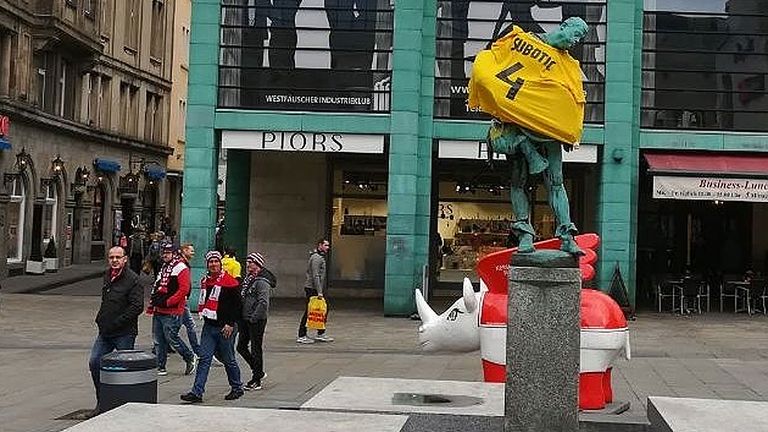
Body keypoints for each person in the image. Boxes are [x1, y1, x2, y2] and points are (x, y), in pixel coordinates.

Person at [181, 251, 244, 403]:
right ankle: (197, 392)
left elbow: (237, 305)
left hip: (225, 327)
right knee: (204, 359)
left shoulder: (230, 282)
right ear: (207, 265)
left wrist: (230, 323)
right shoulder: (205, 281)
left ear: (220, 264)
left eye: (216, 261)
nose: (213, 264)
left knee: (228, 359)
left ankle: (237, 387)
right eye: (211, 262)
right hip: (209, 326)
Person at [88, 246, 143, 413]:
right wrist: (101, 319)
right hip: (106, 331)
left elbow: (137, 306)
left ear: (125, 259)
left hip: (124, 332)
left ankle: (125, 405)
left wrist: (118, 322)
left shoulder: (133, 279)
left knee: (124, 369)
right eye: (112, 257)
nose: (114, 260)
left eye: (118, 257)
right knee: (95, 362)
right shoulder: (108, 275)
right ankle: (102, 401)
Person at [148, 243, 197, 376]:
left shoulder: (181, 268)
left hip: (172, 310)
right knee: (158, 340)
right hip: (159, 309)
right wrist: (155, 300)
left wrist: (168, 302)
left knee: (172, 338)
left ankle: (189, 357)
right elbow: (157, 284)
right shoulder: (165, 267)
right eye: (163, 252)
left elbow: (184, 289)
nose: (165, 255)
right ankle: (160, 366)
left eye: (168, 252)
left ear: (174, 253)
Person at [237, 252, 274, 390]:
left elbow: (263, 302)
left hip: (256, 320)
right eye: (247, 262)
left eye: (250, 262)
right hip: (245, 318)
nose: (247, 265)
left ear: (257, 264)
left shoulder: (262, 281)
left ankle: (256, 379)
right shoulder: (248, 278)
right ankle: (258, 371)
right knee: (241, 347)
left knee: (255, 348)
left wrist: (254, 317)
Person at [297, 238, 334, 344]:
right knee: (309, 311)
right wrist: (319, 291)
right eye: (326, 245)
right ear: (320, 245)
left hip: (316, 288)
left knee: (322, 309)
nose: (328, 248)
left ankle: (320, 333)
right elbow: (315, 275)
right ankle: (302, 334)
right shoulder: (316, 258)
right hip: (313, 289)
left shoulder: (319, 257)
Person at [178, 243, 201, 356]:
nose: (193, 253)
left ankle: (164, 346)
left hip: (182, 299)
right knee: (190, 325)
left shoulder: (183, 263)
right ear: (184, 251)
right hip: (182, 300)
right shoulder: (182, 264)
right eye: (191, 251)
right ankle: (197, 351)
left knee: (175, 326)